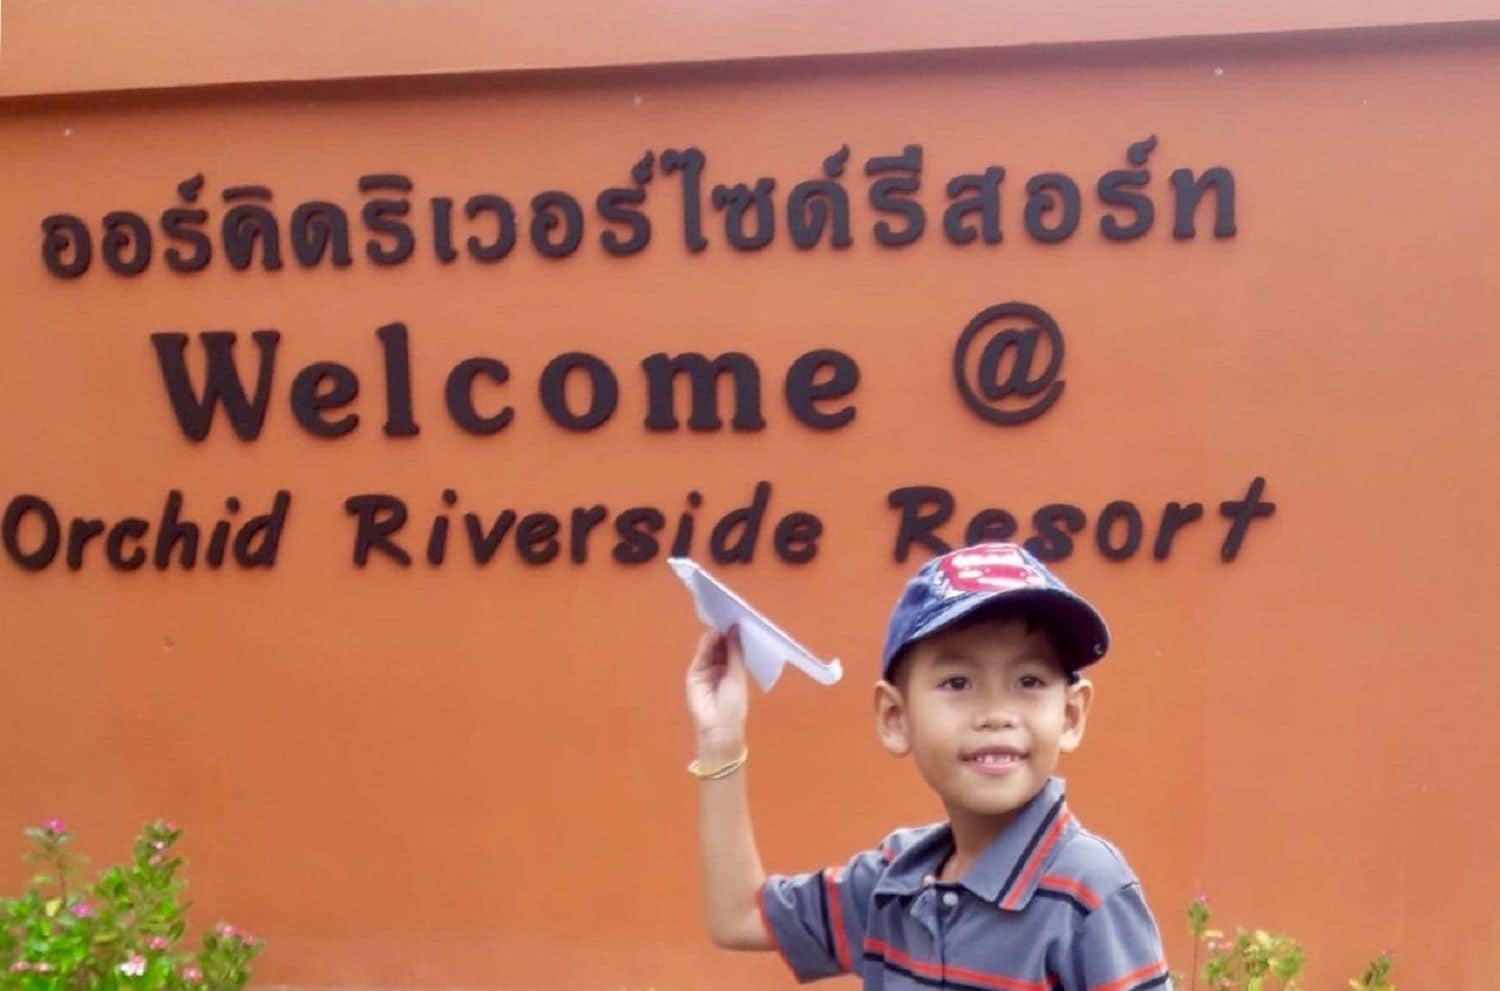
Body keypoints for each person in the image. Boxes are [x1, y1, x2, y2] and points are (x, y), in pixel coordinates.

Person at [684, 541, 1168, 990]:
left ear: (1070, 715)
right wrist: (719, 739)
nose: (997, 713)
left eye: (1028, 680)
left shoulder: (1088, 890)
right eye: (958, 682)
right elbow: (738, 917)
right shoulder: (892, 882)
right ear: (896, 718)